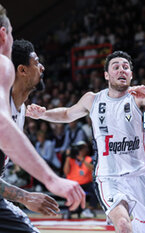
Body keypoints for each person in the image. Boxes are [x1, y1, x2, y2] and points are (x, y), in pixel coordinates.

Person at [26, 51, 145, 233]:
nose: (122, 70)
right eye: (116, 67)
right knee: (123, 224)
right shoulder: (93, 99)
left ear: (131, 74)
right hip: (109, 178)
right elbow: (67, 114)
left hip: (141, 176)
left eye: (126, 67)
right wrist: (44, 114)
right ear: (106, 75)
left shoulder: (138, 97)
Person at [0, 10, 85, 231]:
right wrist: (27, 196)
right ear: (22, 70)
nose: (42, 67)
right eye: (36, 62)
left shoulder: (21, 110)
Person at [63, 141, 98, 218]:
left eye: (82, 149)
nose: (80, 151)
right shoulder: (71, 159)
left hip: (86, 184)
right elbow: (66, 172)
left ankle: (88, 209)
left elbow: (92, 168)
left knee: (96, 189)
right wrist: (68, 157)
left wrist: (82, 159)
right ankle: (71, 210)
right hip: (73, 184)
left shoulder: (88, 159)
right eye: (79, 149)